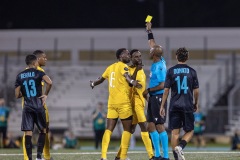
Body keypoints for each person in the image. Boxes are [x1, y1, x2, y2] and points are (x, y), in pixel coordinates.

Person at [89, 48, 142, 160]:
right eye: (126, 54)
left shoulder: (110, 67)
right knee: (127, 130)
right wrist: (133, 81)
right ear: (120, 56)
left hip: (112, 104)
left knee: (108, 130)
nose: (128, 56)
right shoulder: (123, 66)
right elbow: (127, 77)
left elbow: (101, 79)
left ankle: (103, 156)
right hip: (123, 103)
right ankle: (122, 157)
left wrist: (93, 83)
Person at [160, 47, 199, 160]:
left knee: (174, 133)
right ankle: (181, 147)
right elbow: (196, 91)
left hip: (174, 105)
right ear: (187, 57)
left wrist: (162, 106)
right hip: (187, 104)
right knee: (190, 131)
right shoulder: (192, 71)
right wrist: (195, 103)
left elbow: (166, 90)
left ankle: (176, 158)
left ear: (176, 56)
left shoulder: (171, 71)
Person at [115, 49, 154, 160]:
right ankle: (151, 156)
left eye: (140, 56)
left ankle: (118, 156)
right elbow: (130, 83)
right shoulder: (129, 69)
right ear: (131, 58)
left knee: (131, 130)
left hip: (141, 103)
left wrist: (148, 100)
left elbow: (142, 89)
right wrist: (137, 69)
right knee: (144, 127)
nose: (139, 58)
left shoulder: (141, 70)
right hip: (134, 103)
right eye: (136, 57)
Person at [15, 54, 53, 160]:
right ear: (34, 62)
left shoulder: (19, 75)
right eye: (37, 62)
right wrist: (45, 94)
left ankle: (29, 158)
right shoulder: (39, 72)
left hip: (27, 107)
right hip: (38, 105)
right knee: (43, 130)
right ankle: (39, 157)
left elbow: (17, 95)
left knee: (28, 132)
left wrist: (26, 93)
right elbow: (49, 82)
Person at [143, 22, 169, 160]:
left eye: (151, 50)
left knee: (159, 126)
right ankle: (157, 155)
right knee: (150, 126)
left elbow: (162, 85)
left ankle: (165, 156)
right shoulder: (159, 59)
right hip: (153, 98)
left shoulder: (159, 67)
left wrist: (148, 90)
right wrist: (149, 31)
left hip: (159, 97)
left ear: (154, 54)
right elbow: (153, 44)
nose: (149, 50)